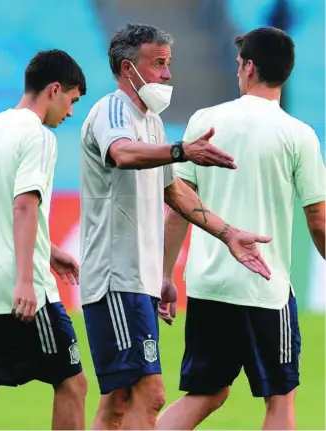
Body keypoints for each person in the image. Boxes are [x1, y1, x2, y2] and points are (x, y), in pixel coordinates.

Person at [79, 23, 274, 430]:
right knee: (149, 395)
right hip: (117, 280)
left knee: (117, 402)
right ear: (129, 68)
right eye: (160, 64)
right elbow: (121, 153)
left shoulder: (150, 123)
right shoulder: (114, 110)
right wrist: (182, 149)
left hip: (139, 280)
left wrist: (227, 233)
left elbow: (176, 191)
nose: (168, 75)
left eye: (170, 65)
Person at [156, 27, 325, 431]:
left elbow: (178, 206)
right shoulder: (298, 135)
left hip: (208, 285)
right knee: (280, 400)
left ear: (249, 67)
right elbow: (318, 219)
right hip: (264, 288)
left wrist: (163, 276)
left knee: (205, 394)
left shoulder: (205, 121)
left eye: (238, 65)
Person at [0, 49, 88, 430]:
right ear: (55, 89)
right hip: (21, 286)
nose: (70, 112)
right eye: (71, 100)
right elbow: (23, 206)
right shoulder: (39, 137)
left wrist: (50, 250)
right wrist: (27, 278)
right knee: (73, 384)